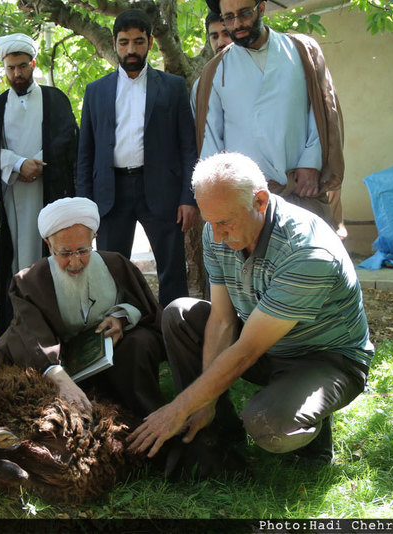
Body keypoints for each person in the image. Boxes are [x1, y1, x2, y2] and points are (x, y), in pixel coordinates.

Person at [128, 153, 372, 478]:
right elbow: (222, 321)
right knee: (180, 314)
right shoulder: (218, 228)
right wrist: (203, 403)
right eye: (209, 222)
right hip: (264, 342)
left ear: (259, 201)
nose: (215, 236)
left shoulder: (308, 252)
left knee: (267, 423)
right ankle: (217, 432)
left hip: (325, 359)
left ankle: (309, 426)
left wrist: (177, 407)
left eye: (224, 223)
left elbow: (246, 351)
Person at [0, 197, 166, 418]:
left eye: (83, 251)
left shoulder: (115, 264)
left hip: (111, 363)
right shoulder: (30, 281)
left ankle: (148, 416)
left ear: (94, 238)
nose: (75, 263)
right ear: (48, 244)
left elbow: (145, 308)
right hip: (60, 365)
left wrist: (120, 317)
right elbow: (31, 334)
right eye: (65, 253)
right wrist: (58, 375)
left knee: (140, 341)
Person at [77, 8, 199, 309]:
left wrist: (188, 197)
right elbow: (85, 153)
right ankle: (119, 339)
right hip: (111, 193)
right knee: (110, 272)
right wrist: (85, 205)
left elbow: (188, 148)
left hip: (161, 190)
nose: (131, 49)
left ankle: (175, 335)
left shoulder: (171, 87)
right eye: (124, 42)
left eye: (138, 42)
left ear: (149, 41)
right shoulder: (96, 91)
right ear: (115, 43)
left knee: (172, 269)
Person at [194, 0, 346, 237]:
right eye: (229, 17)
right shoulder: (215, 70)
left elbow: (322, 112)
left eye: (244, 14)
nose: (237, 24)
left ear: (261, 8)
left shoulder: (302, 50)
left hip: (302, 189)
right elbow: (210, 141)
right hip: (246, 202)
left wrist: (311, 163)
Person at [0, 33, 78, 341]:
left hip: (49, 191)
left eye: (23, 66)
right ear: (4, 69)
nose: (17, 74)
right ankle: (21, 332)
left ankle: (60, 331)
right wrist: (18, 164)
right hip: (12, 196)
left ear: (33, 64)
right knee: (16, 260)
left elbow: (69, 138)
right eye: (11, 68)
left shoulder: (54, 98)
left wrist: (38, 161)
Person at [190, 11, 233, 115]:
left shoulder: (258, 70)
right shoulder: (202, 86)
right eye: (214, 37)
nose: (220, 43)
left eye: (226, 34)